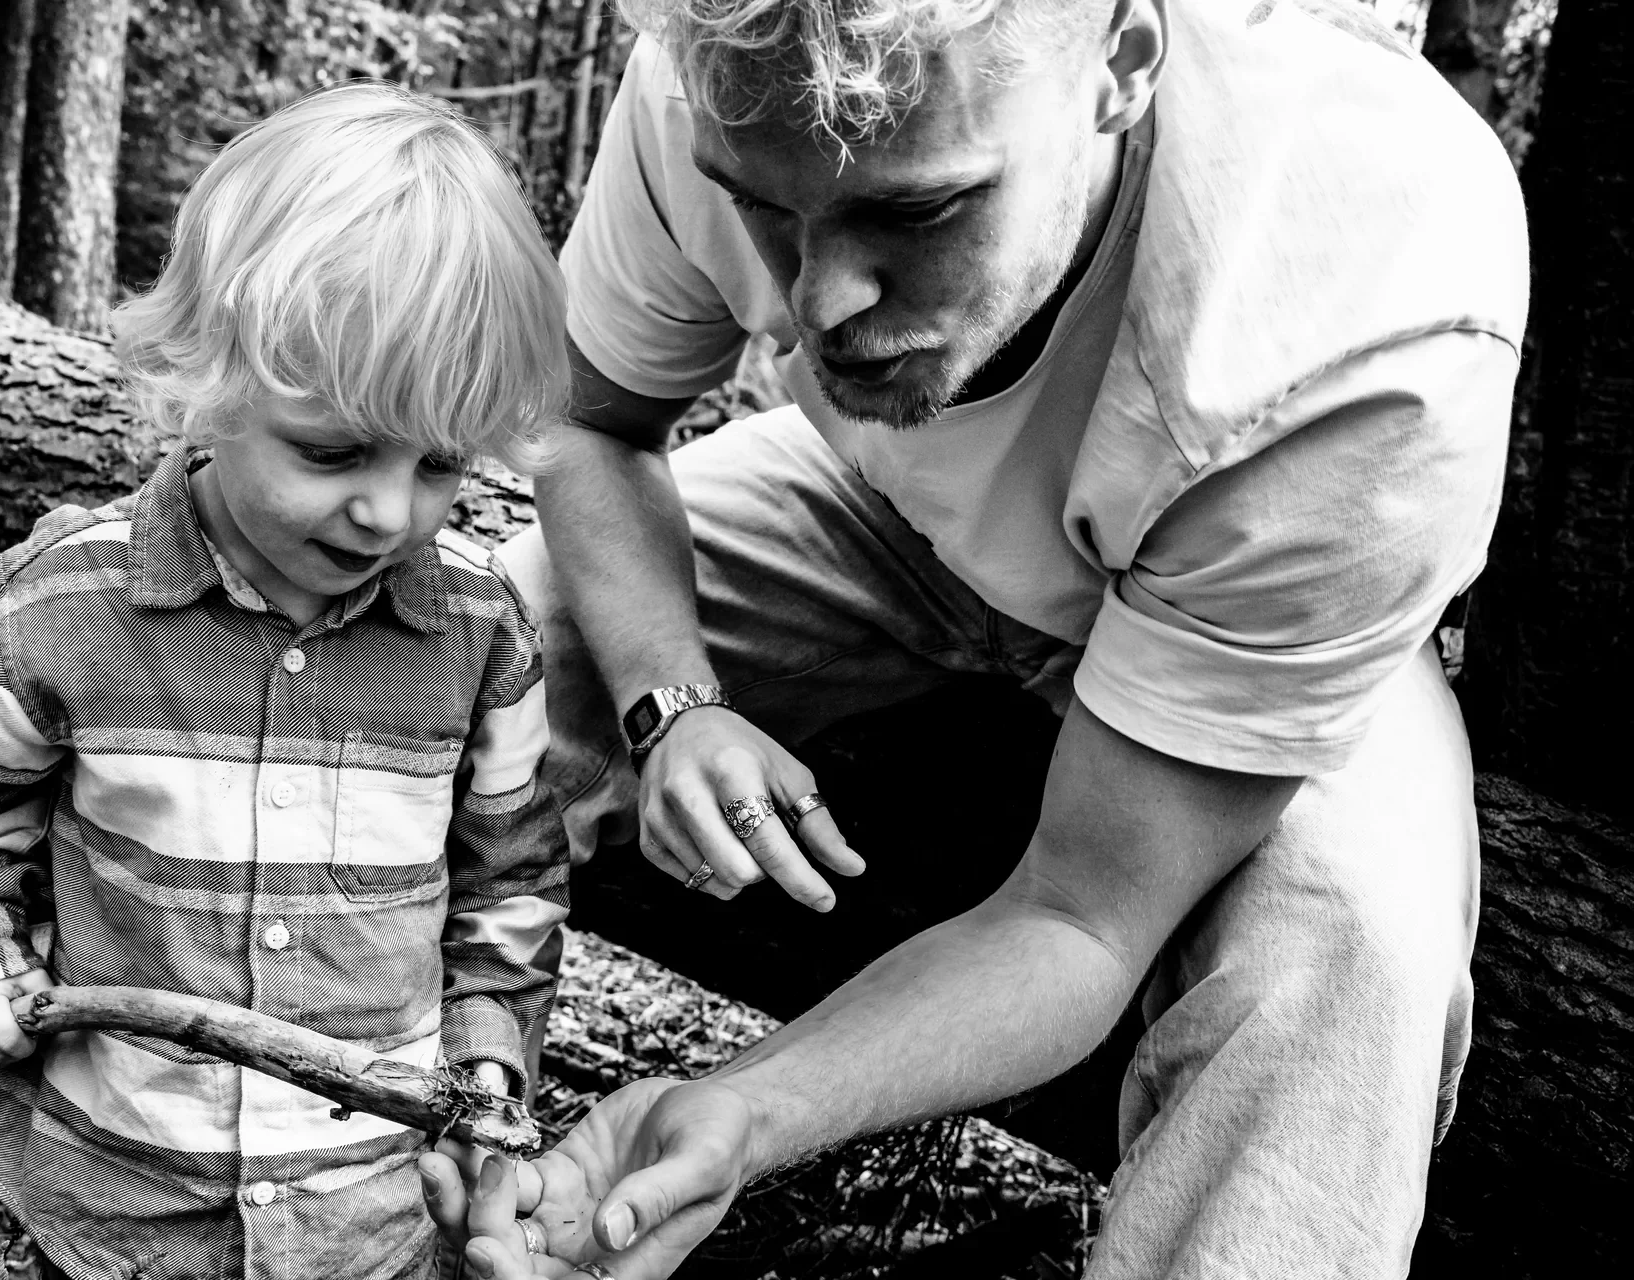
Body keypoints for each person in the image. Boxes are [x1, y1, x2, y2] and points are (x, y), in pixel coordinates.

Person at [423, 0, 1528, 1276]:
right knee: (469, 656)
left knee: (1344, 961)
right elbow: (592, 420)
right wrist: (672, 700)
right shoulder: (720, 74)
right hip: (878, 505)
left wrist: (744, 1110)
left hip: (1245, 564)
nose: (821, 299)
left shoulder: (1376, 314)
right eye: (764, 207)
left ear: (1122, 62)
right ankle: (334, 1160)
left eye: (918, 209)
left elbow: (1083, 917)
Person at [0, 84, 573, 1280]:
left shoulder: (479, 634)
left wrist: (485, 1060)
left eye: (440, 463)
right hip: (118, 1195)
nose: (386, 510)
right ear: (208, 378)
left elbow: (508, 878)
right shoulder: (66, 608)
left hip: (370, 1208)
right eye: (333, 449)